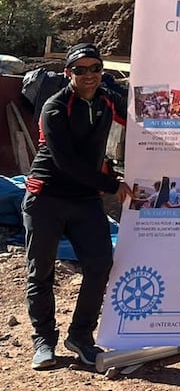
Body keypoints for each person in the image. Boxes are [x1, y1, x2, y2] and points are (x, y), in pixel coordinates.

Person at [24, 43, 128, 370]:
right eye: (80, 70)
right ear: (69, 73)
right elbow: (66, 161)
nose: (89, 75)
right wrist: (113, 185)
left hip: (85, 199)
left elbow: (144, 117)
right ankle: (43, 340)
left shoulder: (108, 101)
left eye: (94, 68)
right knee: (41, 272)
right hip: (47, 197)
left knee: (100, 265)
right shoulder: (55, 107)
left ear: (102, 71)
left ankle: (80, 336)